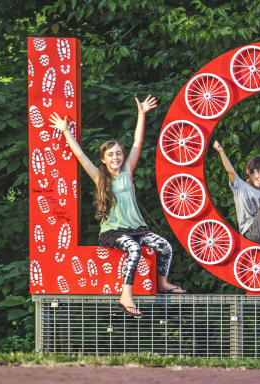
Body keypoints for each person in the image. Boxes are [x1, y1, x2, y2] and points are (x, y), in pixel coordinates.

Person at [49, 95, 184, 319]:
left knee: (165, 246)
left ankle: (162, 283)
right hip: (113, 232)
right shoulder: (100, 177)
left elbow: (137, 142)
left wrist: (141, 114)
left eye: (119, 153)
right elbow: (80, 155)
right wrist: (65, 131)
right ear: (103, 159)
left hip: (136, 228)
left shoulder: (128, 171)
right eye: (110, 154)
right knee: (134, 249)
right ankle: (125, 297)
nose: (116, 157)